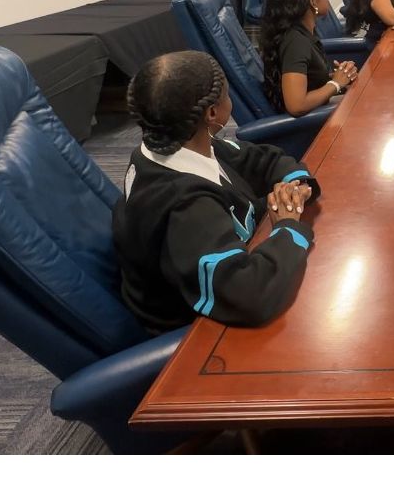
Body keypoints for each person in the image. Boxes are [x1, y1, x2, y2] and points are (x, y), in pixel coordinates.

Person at [112, 50, 320, 334]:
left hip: (226, 264)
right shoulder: (187, 209)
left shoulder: (181, 142)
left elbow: (263, 159)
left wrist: (295, 186)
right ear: (212, 113)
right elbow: (249, 296)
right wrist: (287, 226)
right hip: (197, 334)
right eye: (227, 93)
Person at [260, 0, 359, 116]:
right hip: (314, 124)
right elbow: (296, 105)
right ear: (313, 3)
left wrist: (339, 77)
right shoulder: (296, 42)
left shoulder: (303, 33)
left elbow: (307, 81)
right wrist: (335, 84)